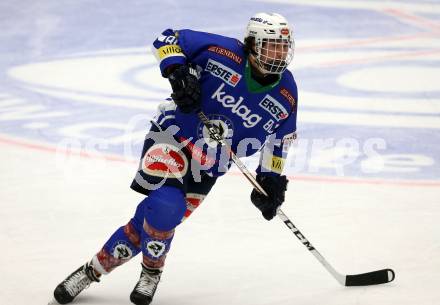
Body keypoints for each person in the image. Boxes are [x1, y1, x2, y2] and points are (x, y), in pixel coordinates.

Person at [52, 12, 298, 305]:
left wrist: (270, 180)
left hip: (211, 163)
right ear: (251, 43)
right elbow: (167, 38)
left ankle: (91, 270)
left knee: (152, 220)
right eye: (271, 45)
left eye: (283, 46)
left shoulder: (286, 92)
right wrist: (177, 70)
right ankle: (152, 272)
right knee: (166, 205)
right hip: (171, 136)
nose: (279, 53)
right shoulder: (222, 51)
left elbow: (279, 142)